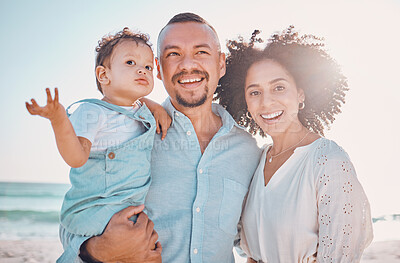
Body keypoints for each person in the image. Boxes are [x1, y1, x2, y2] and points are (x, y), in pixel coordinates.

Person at [58, 13, 261, 263]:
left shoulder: (249, 150)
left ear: (221, 64)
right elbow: (77, 219)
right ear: (158, 68)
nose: (187, 64)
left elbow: (251, 240)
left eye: (201, 52)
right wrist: (98, 251)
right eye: (173, 54)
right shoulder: (131, 133)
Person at [215, 27, 373, 262]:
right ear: (245, 101)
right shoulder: (256, 162)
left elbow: (342, 254)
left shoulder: (328, 161)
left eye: (279, 87)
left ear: (300, 94)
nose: (267, 102)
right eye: (255, 92)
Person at [26, 27, 172, 261]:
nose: (142, 70)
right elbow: (77, 157)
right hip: (96, 210)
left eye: (147, 67)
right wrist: (59, 120)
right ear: (103, 75)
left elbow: (132, 103)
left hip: (127, 209)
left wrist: (154, 106)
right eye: (131, 62)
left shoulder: (143, 111)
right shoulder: (92, 111)